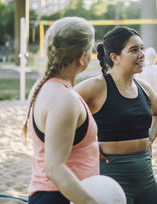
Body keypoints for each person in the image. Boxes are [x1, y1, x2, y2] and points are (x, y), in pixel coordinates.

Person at [76, 26, 157, 204]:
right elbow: (60, 111)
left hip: (145, 176)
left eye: (141, 48)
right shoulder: (97, 86)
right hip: (112, 175)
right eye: (134, 50)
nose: (142, 55)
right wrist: (83, 145)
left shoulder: (143, 87)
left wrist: (151, 136)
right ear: (115, 57)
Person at [22, 17, 100, 204]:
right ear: (83, 56)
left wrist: (91, 147)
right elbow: (55, 168)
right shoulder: (64, 99)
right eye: (91, 50)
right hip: (61, 197)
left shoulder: (44, 85)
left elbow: (62, 142)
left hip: (58, 194)